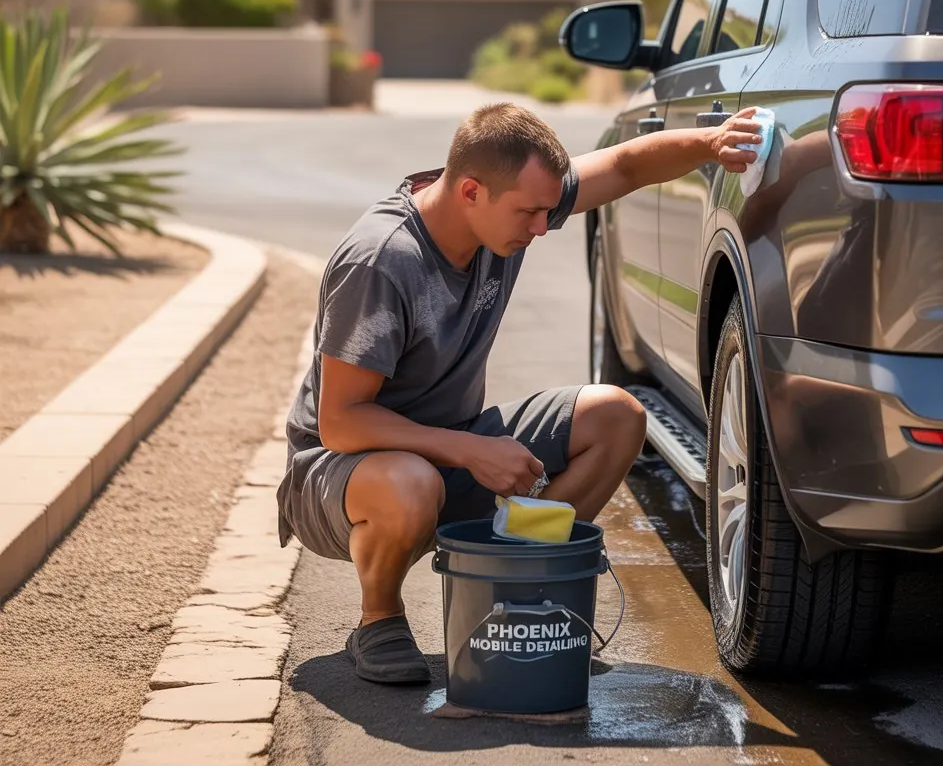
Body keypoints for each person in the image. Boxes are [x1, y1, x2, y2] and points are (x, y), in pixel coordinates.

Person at [276, 101, 761, 685]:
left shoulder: (510, 208)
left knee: (616, 417)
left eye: (547, 210)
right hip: (340, 472)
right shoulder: (382, 261)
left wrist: (711, 143)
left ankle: (514, 585)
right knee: (412, 483)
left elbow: (627, 166)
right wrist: (471, 451)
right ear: (470, 192)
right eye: (529, 213)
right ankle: (379, 618)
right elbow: (341, 422)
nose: (541, 228)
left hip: (446, 450)